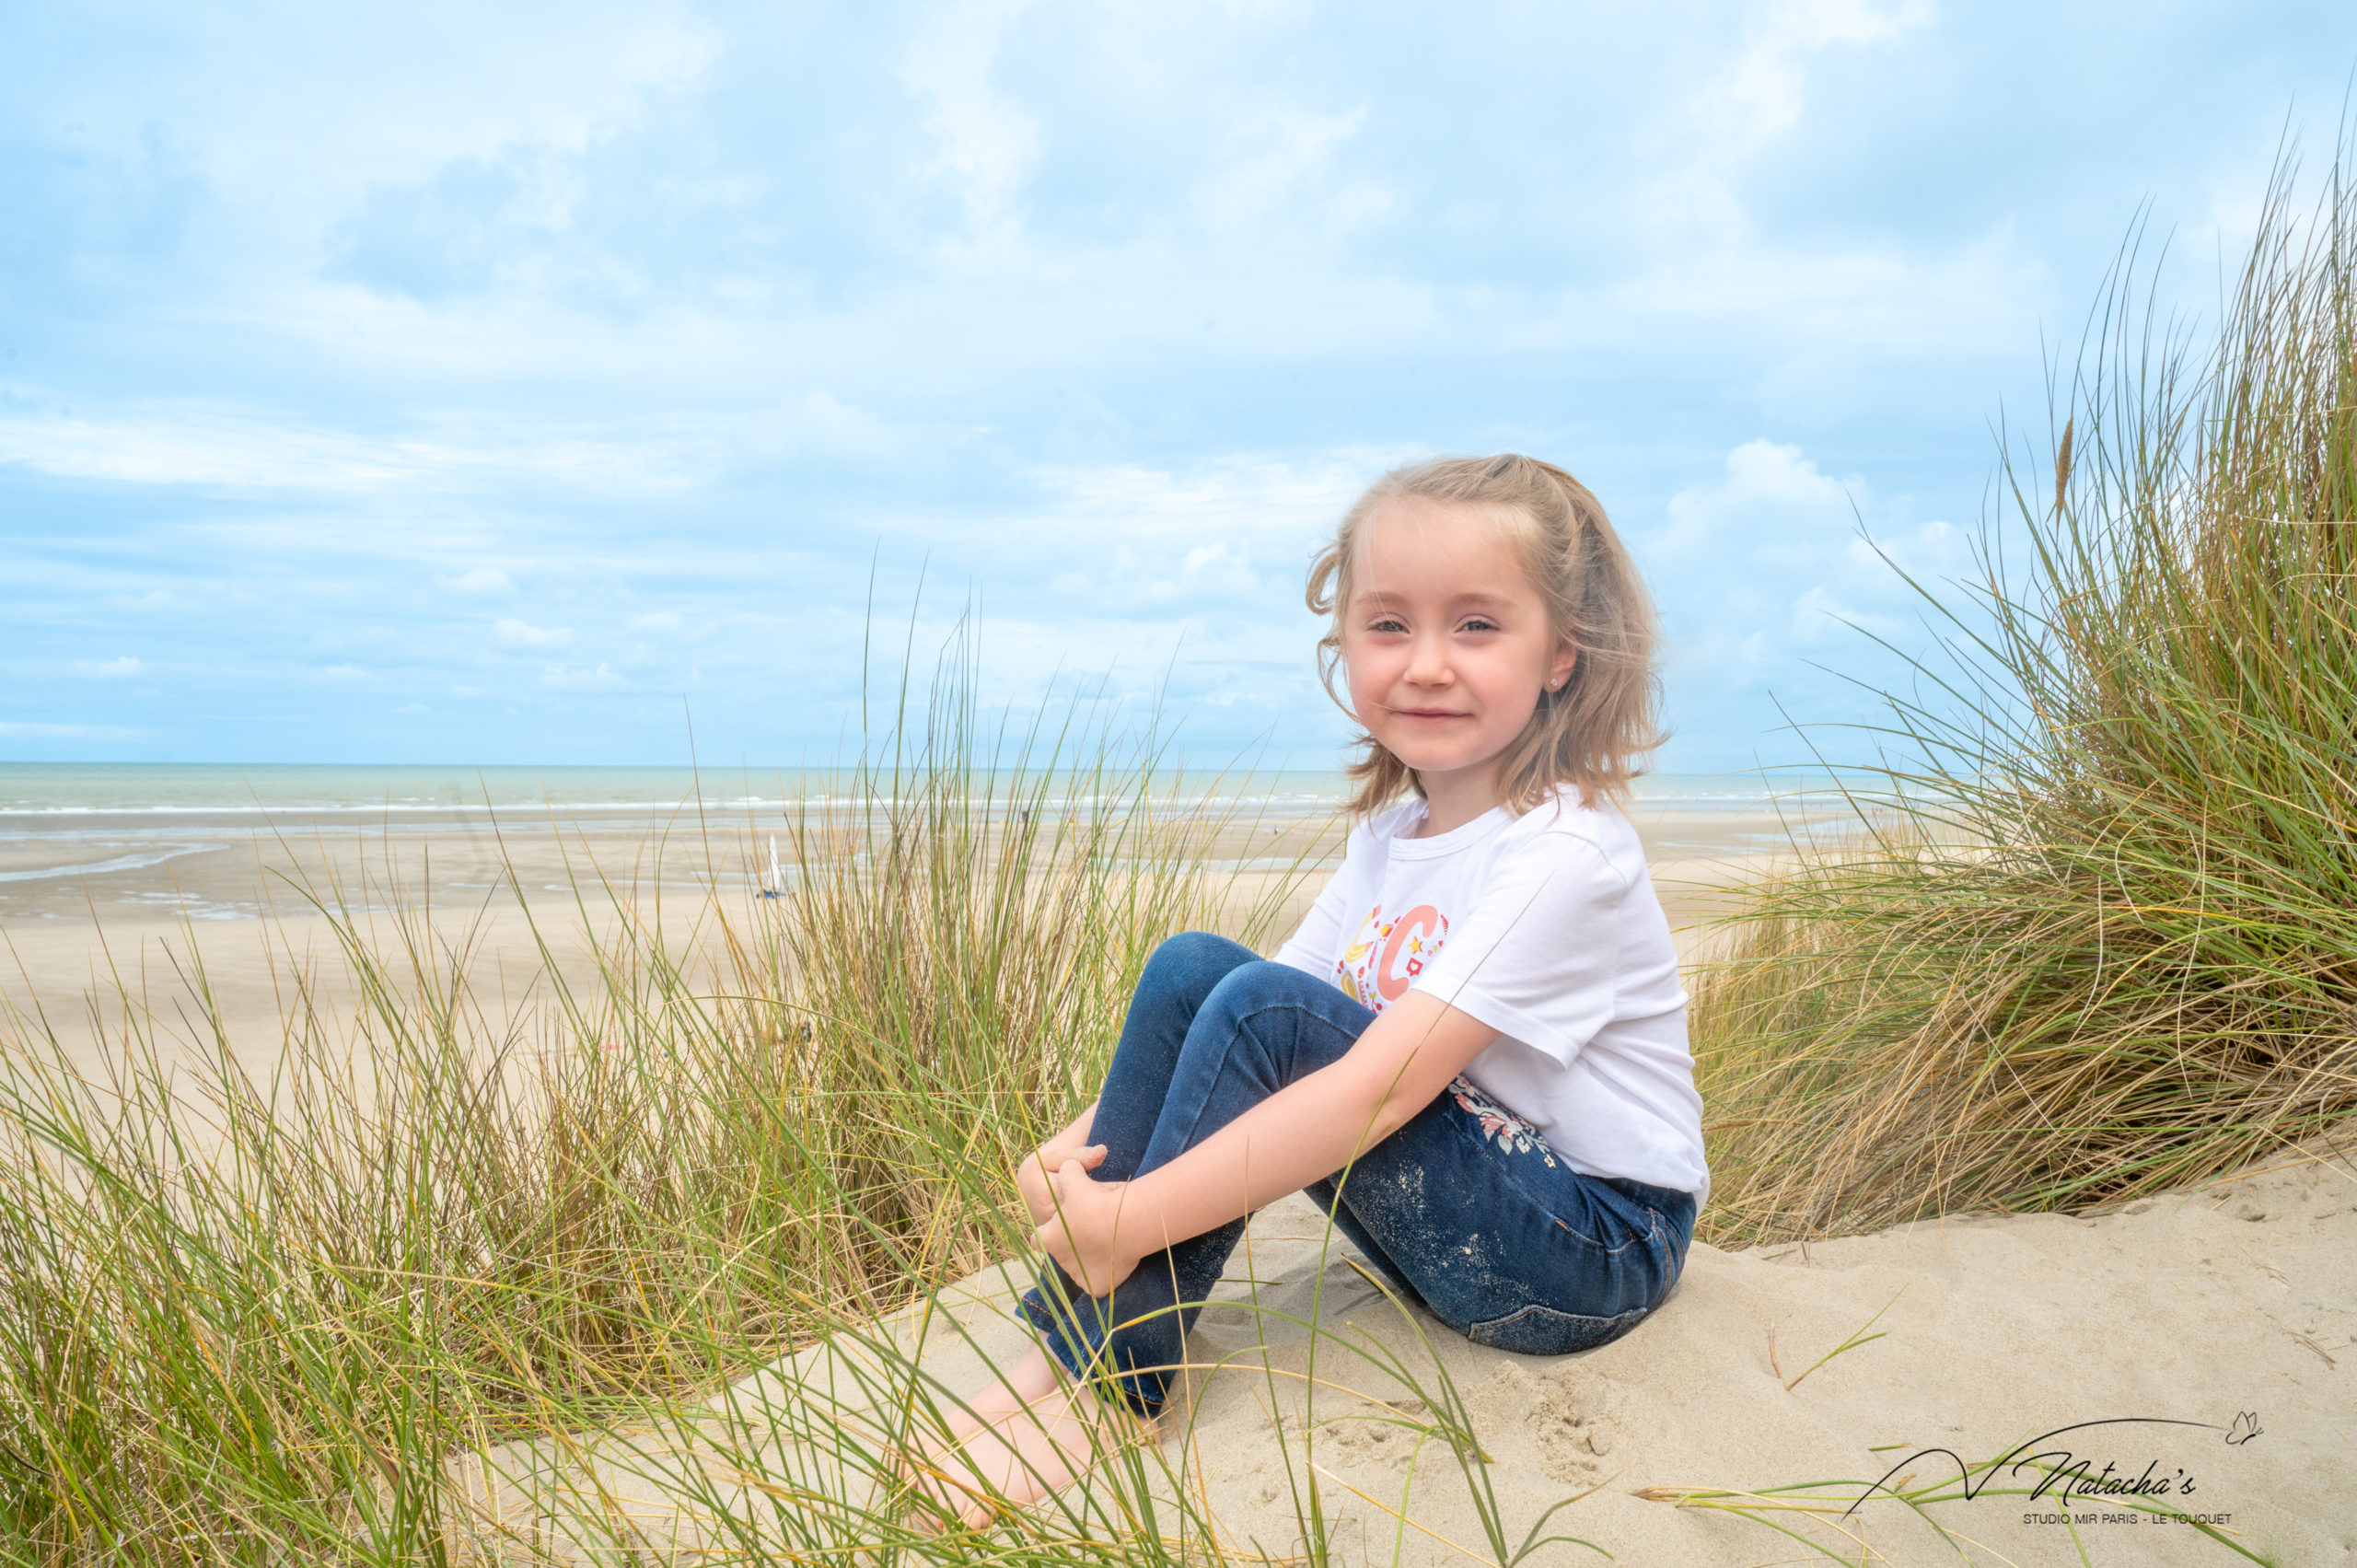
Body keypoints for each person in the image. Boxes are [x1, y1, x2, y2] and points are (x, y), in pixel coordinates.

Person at [910, 454, 1708, 1526]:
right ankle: (1067, 1345)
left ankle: (1111, 1383)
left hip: (1593, 1247)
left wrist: (1132, 1213)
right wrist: (1082, 1140)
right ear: (1345, 643)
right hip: (1475, 1187)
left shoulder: (1565, 855)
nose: (1426, 663)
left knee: (1261, 1010)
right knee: (1199, 966)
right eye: (1389, 625)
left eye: (1476, 626)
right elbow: (1249, 1003)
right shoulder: (1393, 835)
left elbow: (1368, 1088)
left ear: (1560, 651)